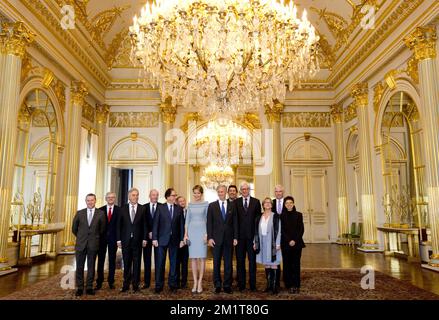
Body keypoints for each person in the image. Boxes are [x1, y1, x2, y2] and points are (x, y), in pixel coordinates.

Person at [72, 193, 106, 296]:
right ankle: (80, 287)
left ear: (95, 201)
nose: (90, 202)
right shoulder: (79, 213)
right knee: (79, 267)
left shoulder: (100, 214)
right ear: (85, 201)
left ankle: (89, 287)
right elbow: (74, 229)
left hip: (93, 244)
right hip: (81, 244)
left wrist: (94, 237)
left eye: (92, 200)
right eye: (88, 200)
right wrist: (81, 237)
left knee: (91, 267)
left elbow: (102, 229)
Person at [152, 188, 185, 293]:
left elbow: (181, 226)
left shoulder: (179, 209)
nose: (175, 197)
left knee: (174, 263)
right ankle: (158, 285)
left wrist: (181, 240)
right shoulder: (160, 208)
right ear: (167, 197)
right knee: (160, 263)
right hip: (161, 240)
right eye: (173, 195)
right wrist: (154, 238)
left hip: (175, 240)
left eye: (175, 195)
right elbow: (155, 224)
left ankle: (173, 285)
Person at [207, 185, 238, 294]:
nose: (221, 193)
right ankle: (217, 284)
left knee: (228, 263)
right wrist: (210, 238)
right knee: (216, 263)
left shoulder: (232, 205)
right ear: (217, 193)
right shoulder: (212, 206)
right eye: (219, 192)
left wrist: (235, 237)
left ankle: (227, 285)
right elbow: (209, 223)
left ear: (226, 192)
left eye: (223, 192)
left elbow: (235, 222)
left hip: (229, 239)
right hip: (216, 240)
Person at [117, 188, 148, 293]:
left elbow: (145, 225)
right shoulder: (123, 209)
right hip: (125, 240)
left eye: (137, 195)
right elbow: (119, 226)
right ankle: (126, 284)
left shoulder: (142, 209)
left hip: (138, 240)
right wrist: (118, 240)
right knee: (126, 263)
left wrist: (144, 238)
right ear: (129, 196)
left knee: (137, 263)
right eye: (134, 195)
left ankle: (136, 285)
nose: (136, 197)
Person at [235, 182, 261, 291]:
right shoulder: (236, 202)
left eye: (246, 189)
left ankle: (252, 284)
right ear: (240, 191)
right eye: (243, 189)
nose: (245, 190)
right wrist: (235, 237)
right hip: (240, 239)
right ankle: (241, 284)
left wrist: (256, 238)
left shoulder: (256, 202)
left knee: (252, 262)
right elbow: (235, 221)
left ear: (249, 190)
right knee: (240, 262)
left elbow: (258, 221)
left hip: (251, 238)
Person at [184, 185, 209, 293]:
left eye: (198, 193)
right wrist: (185, 235)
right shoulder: (190, 205)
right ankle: (194, 281)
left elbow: (208, 220)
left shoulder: (206, 204)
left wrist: (207, 234)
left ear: (201, 194)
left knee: (202, 258)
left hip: (202, 232)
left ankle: (200, 283)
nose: (196, 195)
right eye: (194, 193)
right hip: (192, 232)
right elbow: (187, 221)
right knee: (193, 258)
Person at [254, 197, 281, 294]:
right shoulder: (259, 217)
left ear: (272, 205)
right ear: (263, 205)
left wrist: (278, 243)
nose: (268, 204)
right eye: (266, 202)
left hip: (272, 242)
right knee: (267, 264)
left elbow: (279, 231)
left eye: (269, 202)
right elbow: (256, 231)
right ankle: (268, 286)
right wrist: (255, 242)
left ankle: (274, 287)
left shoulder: (275, 216)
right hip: (262, 242)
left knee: (273, 264)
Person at [96, 192, 121, 290]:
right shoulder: (100, 210)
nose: (110, 199)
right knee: (100, 260)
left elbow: (120, 226)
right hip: (101, 239)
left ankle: (111, 281)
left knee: (112, 260)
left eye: (112, 197)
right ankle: (99, 281)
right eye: (109, 197)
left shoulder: (119, 210)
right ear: (106, 198)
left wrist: (119, 239)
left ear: (115, 199)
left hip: (113, 239)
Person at [280, 196, 305, 294]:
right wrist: (289, 240)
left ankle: (296, 284)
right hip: (286, 243)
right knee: (287, 264)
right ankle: (289, 284)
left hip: (297, 243)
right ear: (284, 205)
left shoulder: (299, 215)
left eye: (291, 203)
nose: (289, 204)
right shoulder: (281, 216)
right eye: (287, 203)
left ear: (293, 204)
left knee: (296, 264)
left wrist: (294, 240)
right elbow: (282, 230)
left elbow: (301, 229)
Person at [142, 189, 160, 289]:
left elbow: (162, 223)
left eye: (157, 195)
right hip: (147, 238)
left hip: (158, 238)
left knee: (159, 260)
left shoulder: (162, 206)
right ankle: (147, 282)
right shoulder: (143, 207)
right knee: (147, 260)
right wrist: (148, 232)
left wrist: (155, 233)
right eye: (153, 195)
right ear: (149, 196)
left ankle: (158, 282)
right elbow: (143, 222)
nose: (155, 197)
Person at [272, 184, 285, 288]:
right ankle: (275, 281)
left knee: (287, 259)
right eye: (276, 191)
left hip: (286, 236)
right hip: (275, 236)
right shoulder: (271, 203)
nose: (278, 193)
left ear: (283, 192)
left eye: (280, 191)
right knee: (275, 258)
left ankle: (287, 280)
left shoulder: (288, 203)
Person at [176, 196, 189, 289]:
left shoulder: (189, 212)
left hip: (187, 241)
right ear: (177, 203)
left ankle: (184, 281)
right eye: (180, 201)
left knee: (185, 262)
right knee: (176, 262)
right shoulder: (175, 213)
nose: (182, 202)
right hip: (177, 241)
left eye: (183, 200)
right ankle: (176, 280)